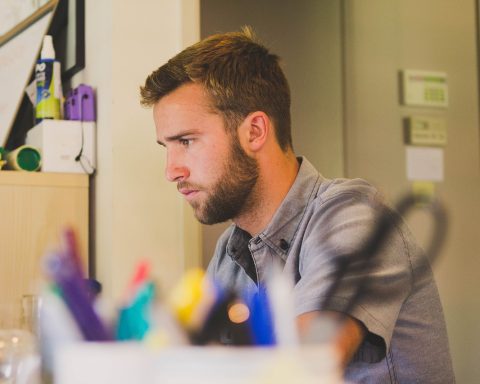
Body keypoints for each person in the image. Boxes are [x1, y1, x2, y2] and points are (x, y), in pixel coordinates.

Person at [140, 28, 455, 383]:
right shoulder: (229, 255)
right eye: (165, 147)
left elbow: (304, 367)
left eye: (186, 141)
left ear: (255, 131)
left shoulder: (354, 216)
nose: (171, 170)